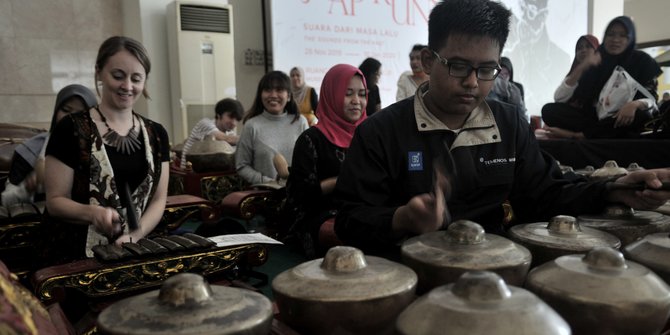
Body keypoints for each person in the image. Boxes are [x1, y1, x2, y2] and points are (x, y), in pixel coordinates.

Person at [333, 0, 670, 259]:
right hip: (411, 274)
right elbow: (349, 221)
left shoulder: (507, 123)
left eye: (487, 70)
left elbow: (546, 192)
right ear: (428, 61)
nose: (471, 82)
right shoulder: (380, 132)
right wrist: (401, 219)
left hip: (498, 275)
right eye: (459, 66)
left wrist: (615, 187)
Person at [43, 36, 171, 264]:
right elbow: (55, 201)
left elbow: (159, 200)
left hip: (136, 250)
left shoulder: (157, 134)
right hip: (74, 256)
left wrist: (134, 236)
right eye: (118, 76)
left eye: (136, 78)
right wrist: (93, 213)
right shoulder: (70, 129)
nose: (128, 86)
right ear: (99, 72)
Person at [285, 64, 368, 258]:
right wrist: (339, 181)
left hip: (364, 211)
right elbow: (300, 196)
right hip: (321, 215)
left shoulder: (370, 135)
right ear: (332, 95)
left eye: (362, 94)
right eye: (348, 94)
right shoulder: (311, 140)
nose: (357, 101)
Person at [541, 17, 662, 139]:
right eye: (611, 34)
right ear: (605, 37)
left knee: (639, 116)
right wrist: (582, 66)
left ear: (630, 39)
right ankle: (594, 133)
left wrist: (634, 104)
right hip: (595, 118)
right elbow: (559, 98)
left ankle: (577, 136)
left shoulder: (642, 61)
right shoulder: (597, 60)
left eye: (622, 35)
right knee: (549, 110)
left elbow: (652, 98)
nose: (615, 40)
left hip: (620, 117)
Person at [2, 84, 97, 206]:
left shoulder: (100, 152)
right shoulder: (30, 150)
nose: (70, 118)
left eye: (80, 114)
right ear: (56, 111)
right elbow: (6, 200)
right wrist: (28, 186)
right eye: (66, 110)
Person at [235, 71, 309, 185]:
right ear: (261, 95)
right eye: (268, 90)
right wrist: (268, 182)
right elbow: (242, 166)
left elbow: (308, 162)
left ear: (288, 96)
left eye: (279, 90)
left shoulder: (300, 122)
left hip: (297, 195)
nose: (273, 95)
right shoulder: (251, 125)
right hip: (265, 196)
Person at [179, 97, 243, 169]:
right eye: (231, 117)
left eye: (237, 119)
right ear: (219, 115)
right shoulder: (205, 123)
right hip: (190, 172)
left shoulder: (230, 134)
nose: (234, 123)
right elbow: (225, 139)